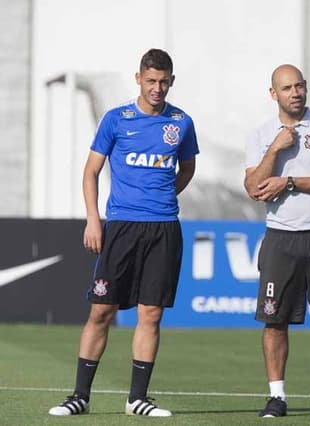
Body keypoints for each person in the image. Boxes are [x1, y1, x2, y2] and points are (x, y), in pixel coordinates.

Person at [48, 48, 199, 417]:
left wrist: (161, 195)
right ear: (138, 79)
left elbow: (187, 169)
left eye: (164, 82)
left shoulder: (181, 122)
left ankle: (137, 399)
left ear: (172, 81)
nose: (157, 88)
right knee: (101, 310)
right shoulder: (117, 119)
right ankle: (80, 396)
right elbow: (90, 172)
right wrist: (93, 219)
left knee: (151, 315)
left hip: (164, 229)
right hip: (121, 228)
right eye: (151, 81)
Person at [244, 64, 310, 419]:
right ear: (273, 94)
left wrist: (289, 181)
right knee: (273, 321)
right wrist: (274, 150)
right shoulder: (262, 133)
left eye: (300, 86)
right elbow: (253, 187)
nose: (296, 93)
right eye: (287, 88)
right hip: (280, 237)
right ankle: (277, 397)